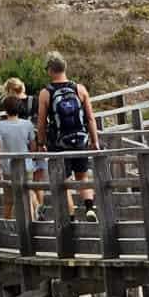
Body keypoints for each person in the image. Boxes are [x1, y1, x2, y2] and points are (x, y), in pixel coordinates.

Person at [36, 52, 100, 219]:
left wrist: (41, 143)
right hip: (80, 141)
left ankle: (71, 218)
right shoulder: (80, 89)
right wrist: (94, 141)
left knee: (62, 182)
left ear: (50, 70)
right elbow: (90, 118)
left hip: (58, 145)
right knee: (82, 176)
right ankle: (89, 208)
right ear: (65, 67)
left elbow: (41, 122)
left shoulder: (46, 93)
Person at [0, 93, 42, 219]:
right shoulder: (28, 124)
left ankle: (7, 224)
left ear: (5, 109)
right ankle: (35, 214)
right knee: (28, 193)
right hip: (27, 165)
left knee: (9, 200)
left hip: (8, 167)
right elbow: (33, 146)